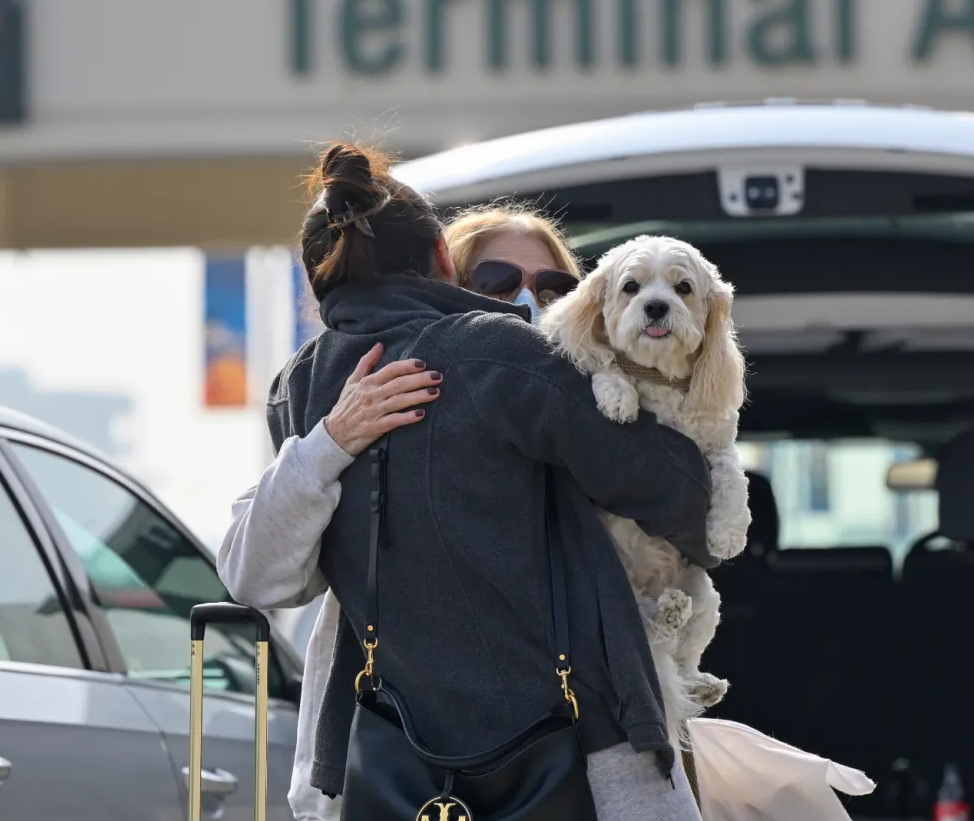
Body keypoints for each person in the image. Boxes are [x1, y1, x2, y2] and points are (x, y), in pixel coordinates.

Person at [217, 145, 714, 821]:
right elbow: (692, 500)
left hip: (410, 768)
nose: (529, 305)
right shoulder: (500, 362)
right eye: (500, 279)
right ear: (447, 266)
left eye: (554, 290)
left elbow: (257, 583)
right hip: (570, 754)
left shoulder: (304, 385)